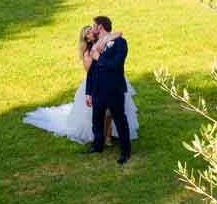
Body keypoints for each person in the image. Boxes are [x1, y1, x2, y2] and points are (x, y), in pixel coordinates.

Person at [23, 22, 139, 148]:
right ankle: (103, 138)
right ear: (86, 38)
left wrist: (105, 42)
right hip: (96, 82)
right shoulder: (88, 51)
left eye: (91, 29)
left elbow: (118, 34)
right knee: (101, 115)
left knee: (113, 112)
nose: (91, 32)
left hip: (113, 80)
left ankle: (109, 135)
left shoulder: (103, 41)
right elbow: (90, 72)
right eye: (87, 32)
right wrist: (95, 57)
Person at [86, 15, 131, 164]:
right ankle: (97, 145)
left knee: (120, 119)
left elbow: (116, 64)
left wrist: (99, 58)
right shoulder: (95, 45)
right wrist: (88, 92)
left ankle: (125, 152)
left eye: (94, 26)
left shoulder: (120, 43)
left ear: (100, 27)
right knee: (96, 119)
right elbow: (91, 71)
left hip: (114, 88)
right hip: (98, 90)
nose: (92, 29)